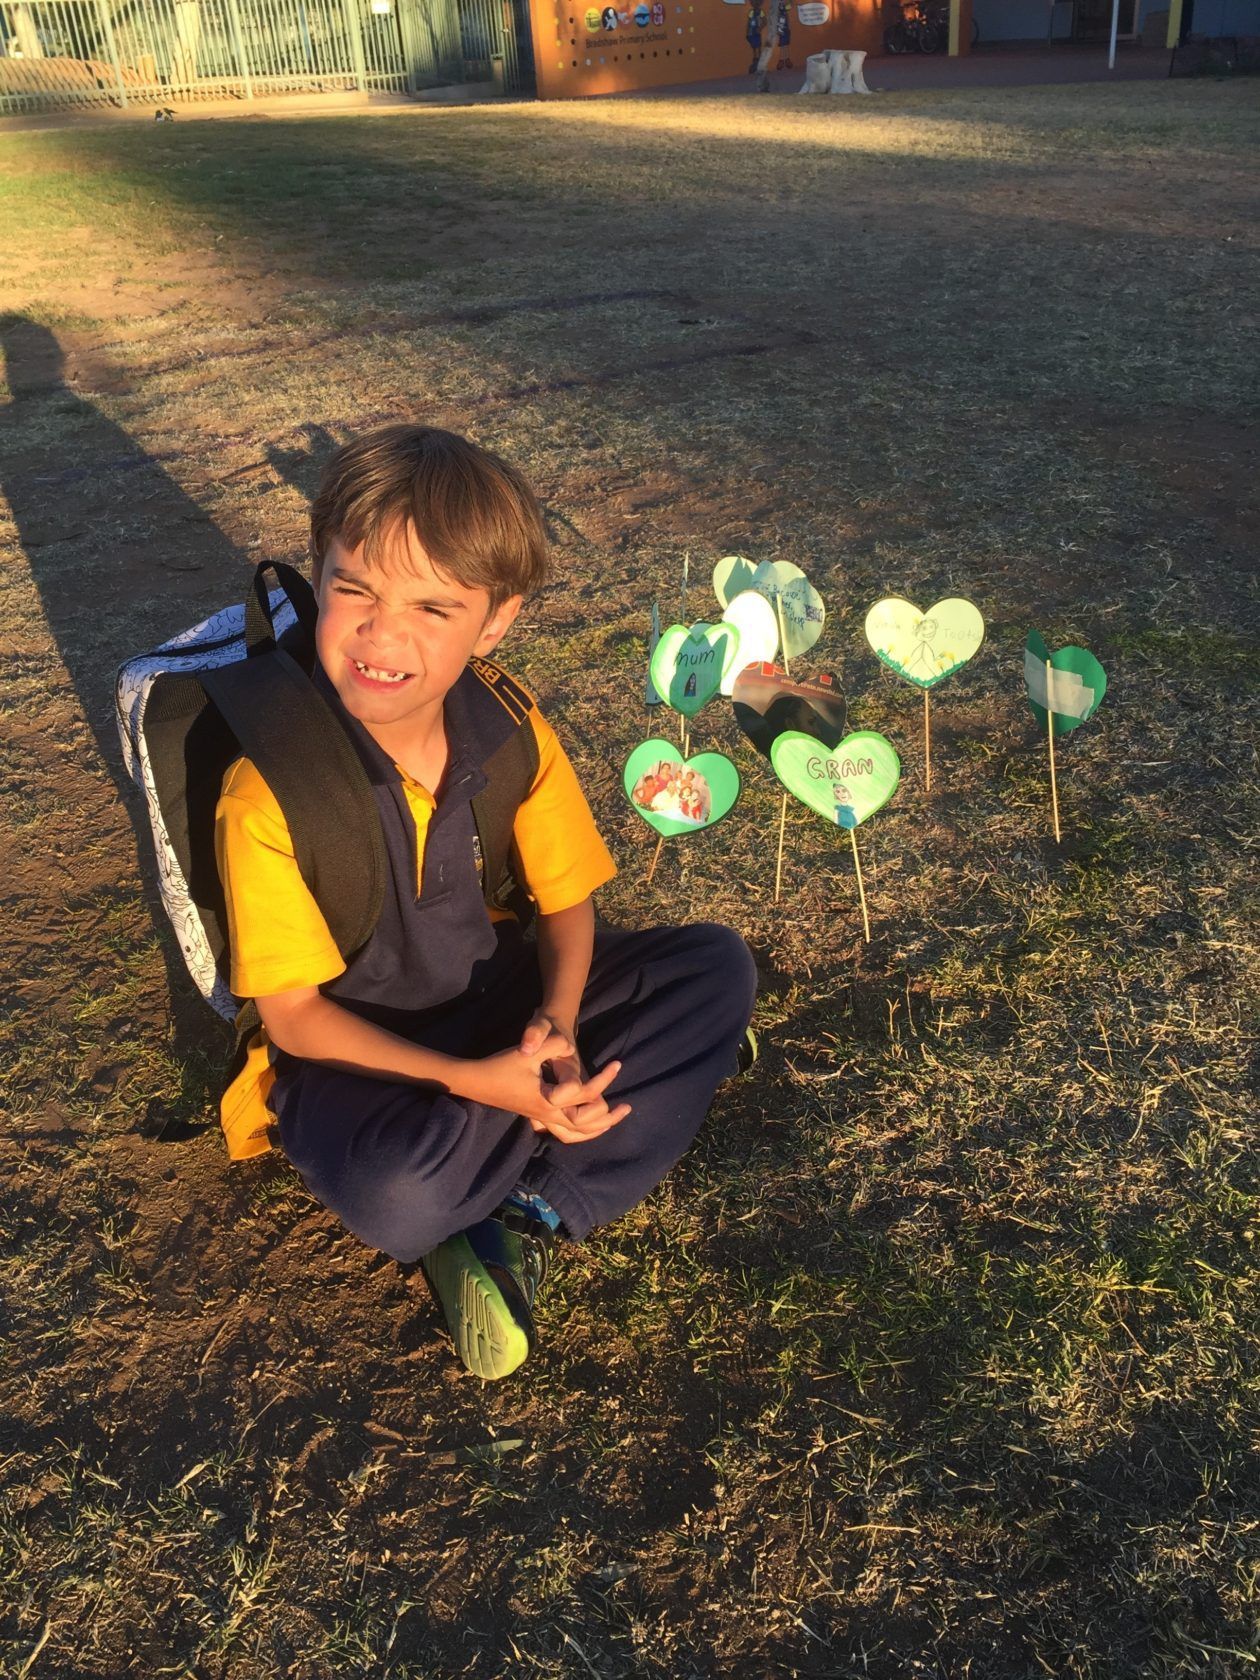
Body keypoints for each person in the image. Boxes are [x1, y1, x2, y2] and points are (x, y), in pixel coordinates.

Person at [215, 425, 757, 1380]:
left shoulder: (509, 725)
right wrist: (482, 1084)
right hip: (365, 1060)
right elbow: (294, 1019)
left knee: (717, 966)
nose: (384, 637)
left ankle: (520, 1212)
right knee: (396, 1197)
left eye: (433, 606)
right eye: (355, 590)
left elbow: (568, 903)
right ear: (319, 568)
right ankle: (565, 1142)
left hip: (504, 1008)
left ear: (495, 621)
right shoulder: (270, 790)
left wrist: (553, 1027)